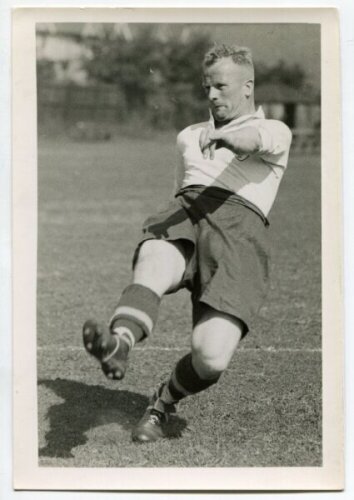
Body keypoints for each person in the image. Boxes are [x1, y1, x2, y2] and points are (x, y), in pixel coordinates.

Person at [83, 44, 292, 443]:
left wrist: (227, 139)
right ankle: (118, 344)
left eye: (221, 86)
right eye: (207, 87)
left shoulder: (275, 130)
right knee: (154, 259)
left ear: (247, 87)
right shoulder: (188, 136)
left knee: (210, 357)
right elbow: (180, 188)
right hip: (187, 213)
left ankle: (161, 403)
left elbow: (250, 139)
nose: (212, 95)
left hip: (240, 234)